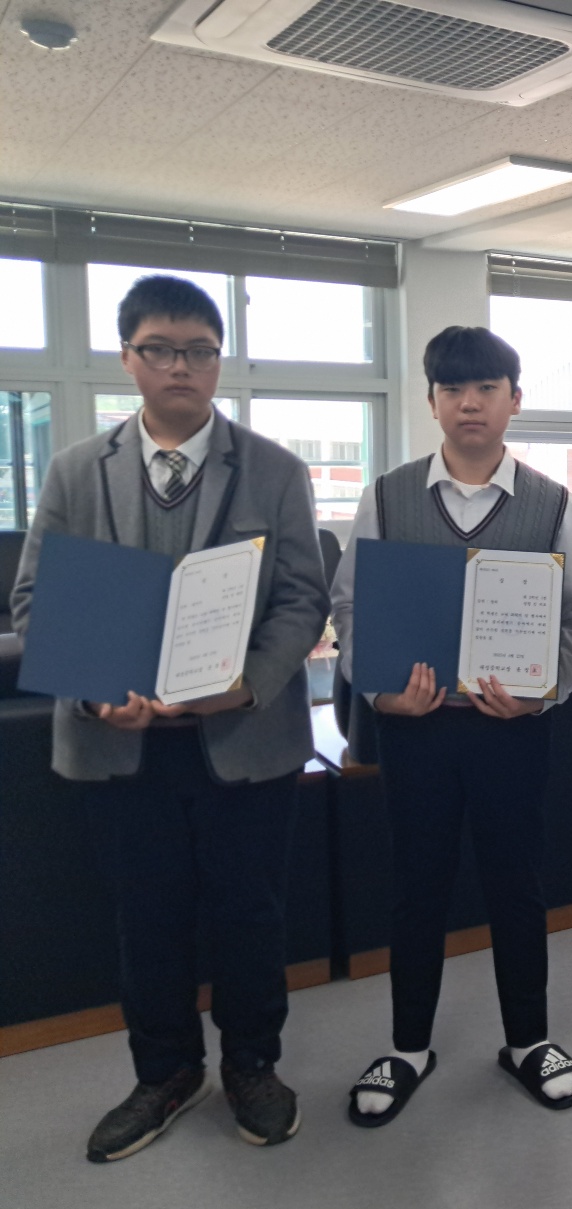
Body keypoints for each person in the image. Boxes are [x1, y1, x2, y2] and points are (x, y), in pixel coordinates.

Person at [9, 275, 330, 1161]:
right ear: (128, 358)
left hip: (243, 742)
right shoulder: (76, 471)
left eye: (198, 351)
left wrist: (247, 685)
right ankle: (164, 1073)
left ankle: (252, 1065)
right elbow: (35, 600)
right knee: (146, 920)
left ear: (218, 362)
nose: (180, 366)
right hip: (122, 748)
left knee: (250, 917)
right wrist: (91, 687)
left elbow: (301, 600)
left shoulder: (274, 469)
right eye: (160, 349)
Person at [329, 326, 572, 1123]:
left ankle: (528, 1040)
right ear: (432, 401)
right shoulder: (387, 495)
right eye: (453, 389)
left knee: (517, 886)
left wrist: (541, 694)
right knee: (417, 889)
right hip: (416, 731)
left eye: (486, 388)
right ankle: (409, 1047)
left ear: (514, 400)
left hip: (512, 730)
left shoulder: (554, 504)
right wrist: (381, 692)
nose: (469, 403)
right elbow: (351, 606)